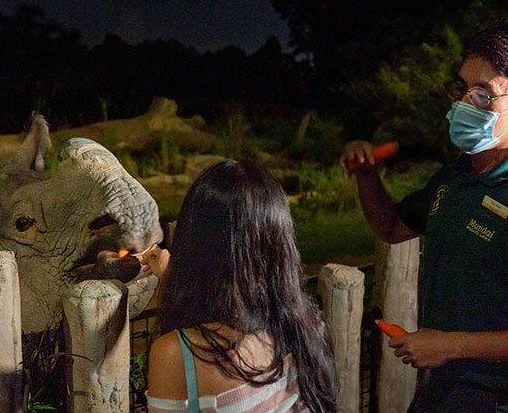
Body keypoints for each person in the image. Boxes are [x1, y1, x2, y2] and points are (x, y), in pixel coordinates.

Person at [340, 22, 508, 412]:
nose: (465, 103)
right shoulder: (453, 176)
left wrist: (450, 345)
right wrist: (366, 175)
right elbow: (390, 227)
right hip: (441, 388)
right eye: (462, 89)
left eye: (484, 94)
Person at [142, 160, 337, 413]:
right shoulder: (301, 326)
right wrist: (173, 278)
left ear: (192, 241)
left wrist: (178, 282)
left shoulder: (177, 355)